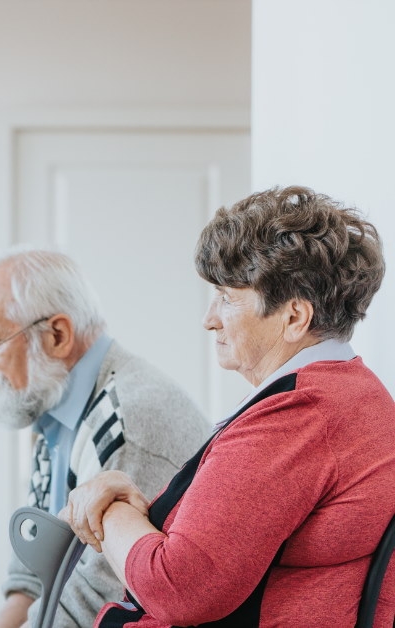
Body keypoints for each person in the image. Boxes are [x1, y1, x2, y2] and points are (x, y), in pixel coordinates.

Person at [63, 186, 395, 627]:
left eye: (227, 296)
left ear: (294, 318)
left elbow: (179, 588)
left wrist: (111, 509)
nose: (210, 318)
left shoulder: (299, 414)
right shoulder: (353, 394)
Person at [0, 248, 208, 628]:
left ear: (57, 335)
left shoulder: (128, 423)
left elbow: (98, 602)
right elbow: (33, 572)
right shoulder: (56, 401)